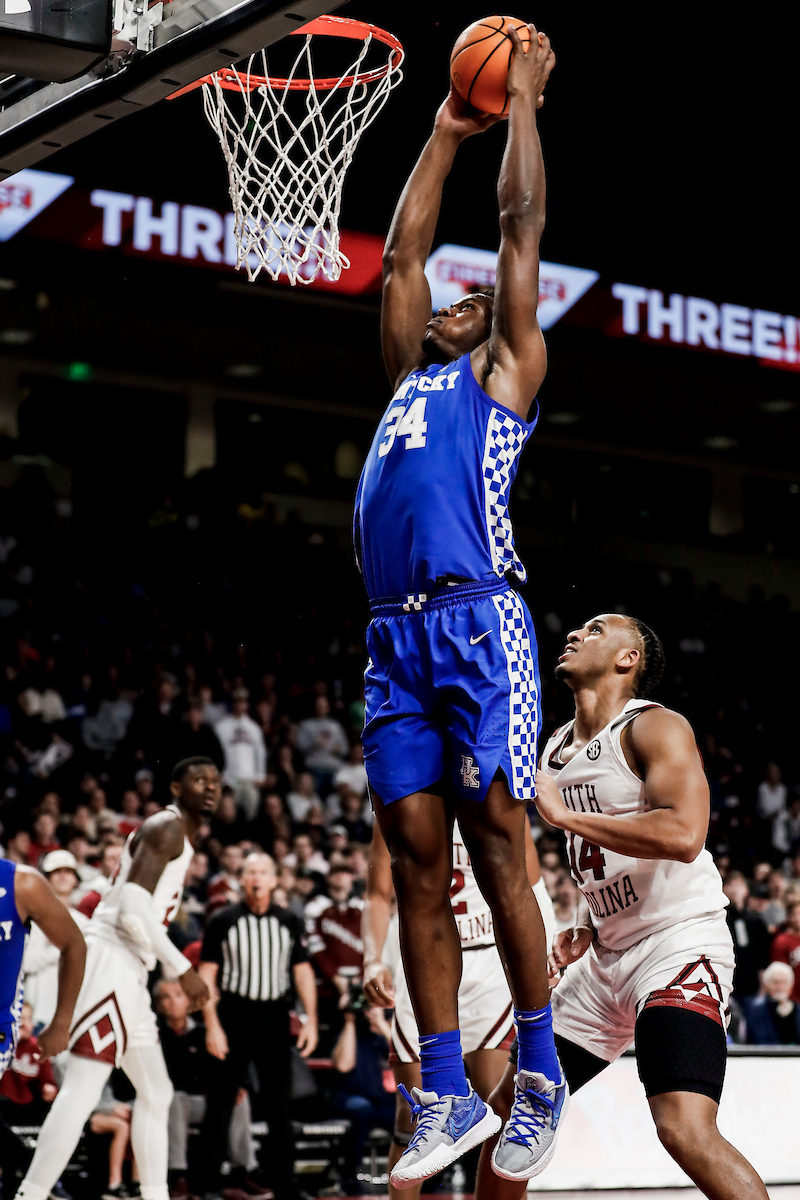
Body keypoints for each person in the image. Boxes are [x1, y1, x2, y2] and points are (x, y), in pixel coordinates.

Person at [352, 22, 560, 1185]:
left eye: (469, 301)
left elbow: (517, 228)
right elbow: (400, 260)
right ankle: (442, 1087)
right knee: (413, 857)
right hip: (392, 636)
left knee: (496, 849)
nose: (451, 301)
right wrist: (441, 128)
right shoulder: (410, 378)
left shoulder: (505, 371)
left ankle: (538, 1072)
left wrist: (518, 100)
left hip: (478, 621)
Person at [473, 614, 768, 1200]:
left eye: (595, 629)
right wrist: (587, 919)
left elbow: (683, 834)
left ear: (627, 658)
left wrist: (563, 815)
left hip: (677, 944)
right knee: (512, 1110)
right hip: (605, 957)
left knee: (683, 1127)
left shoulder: (655, 726)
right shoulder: (554, 746)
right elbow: (602, 850)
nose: (575, 635)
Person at [14, 757, 220, 1200]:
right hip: (113, 960)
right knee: (84, 1087)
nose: (210, 787)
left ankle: (154, 1194)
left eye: (216, 782)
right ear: (176, 788)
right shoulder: (167, 827)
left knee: (157, 1092)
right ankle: (30, 1195)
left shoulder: (176, 835)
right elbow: (130, 906)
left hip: (130, 967)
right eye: (199, 779)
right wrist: (182, 967)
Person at [363, 819, 555, 1200]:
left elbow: (531, 884)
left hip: (486, 961)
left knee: (503, 1108)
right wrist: (372, 959)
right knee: (415, 1116)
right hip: (422, 963)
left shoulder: (487, 793)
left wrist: (543, 952)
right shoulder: (403, 797)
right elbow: (377, 895)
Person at [197, 852, 318, 1200]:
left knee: (280, 1105)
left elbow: (302, 972)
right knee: (221, 1102)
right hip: (233, 1015)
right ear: (241, 879)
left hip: (274, 1016)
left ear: (274, 880)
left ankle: (284, 1183)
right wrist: (211, 1025)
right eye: (251, 872)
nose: (257, 878)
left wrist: (311, 1020)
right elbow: (206, 976)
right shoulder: (223, 920)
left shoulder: (289, 920)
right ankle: (208, 1183)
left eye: (263, 872)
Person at [0, 855, 85, 1179]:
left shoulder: (23, 883)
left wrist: (62, 1022)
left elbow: (74, 944)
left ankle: (27, 1168)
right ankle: (21, 1162)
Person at [153, 979, 263, 1200]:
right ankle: (178, 1176)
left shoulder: (205, 1033)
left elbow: (220, 1071)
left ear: (189, 1001)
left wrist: (226, 1089)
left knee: (237, 1099)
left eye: (178, 995)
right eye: (166, 997)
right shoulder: (155, 1036)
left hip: (203, 1101)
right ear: (158, 1005)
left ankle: (242, 1171)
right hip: (166, 1103)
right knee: (177, 1098)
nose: (173, 1001)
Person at [214, 689, 267, 821]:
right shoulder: (221, 727)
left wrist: (260, 774)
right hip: (229, 779)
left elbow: (260, 752)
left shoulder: (254, 727)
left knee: (251, 815)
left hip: (249, 778)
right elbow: (216, 753)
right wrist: (220, 775)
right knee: (228, 815)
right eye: (238, 702)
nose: (240, 705)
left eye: (243, 702)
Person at [742, 961, 800, 1045]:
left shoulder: (797, 1011)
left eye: (784, 982)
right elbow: (758, 1040)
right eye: (776, 982)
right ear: (767, 984)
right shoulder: (756, 1011)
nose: (780, 987)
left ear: (791, 986)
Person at [770, 897, 800, 1000]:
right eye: (797, 914)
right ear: (790, 917)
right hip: (791, 998)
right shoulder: (782, 941)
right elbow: (779, 973)